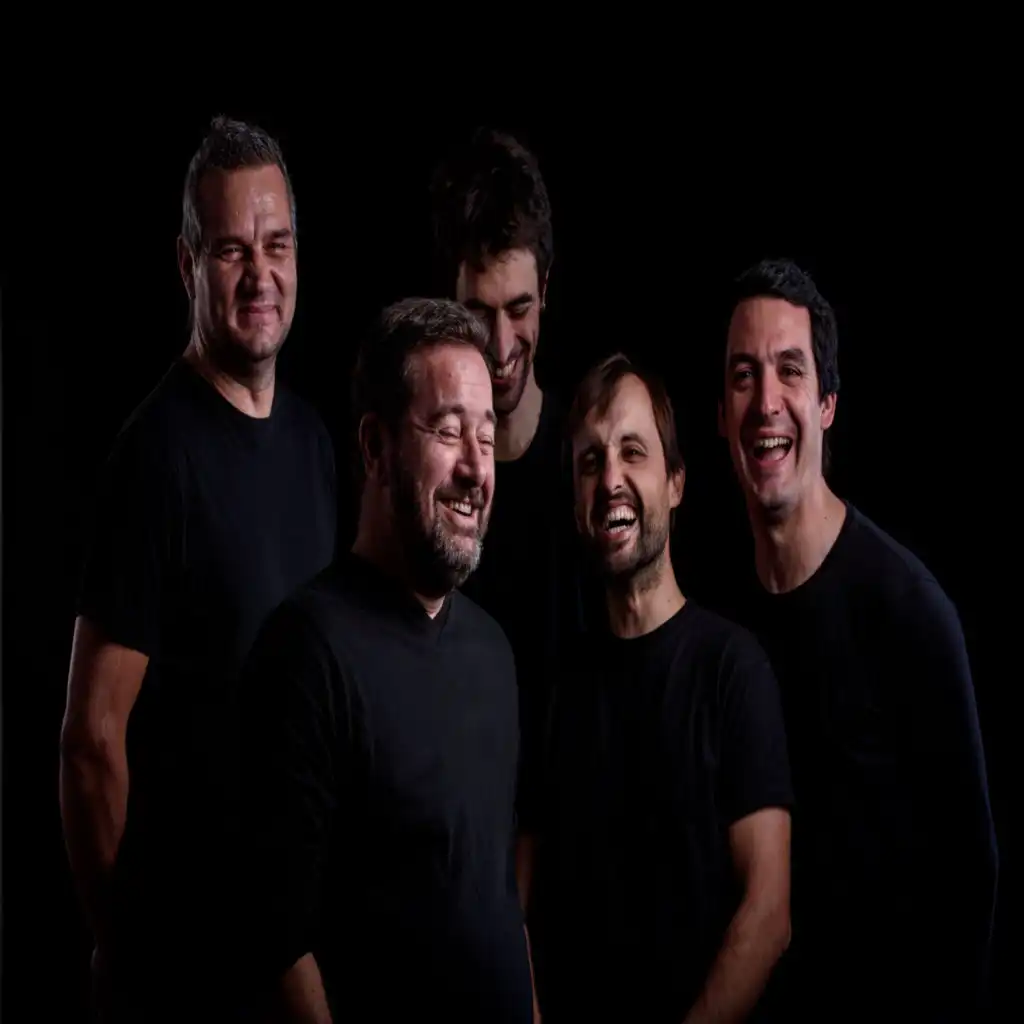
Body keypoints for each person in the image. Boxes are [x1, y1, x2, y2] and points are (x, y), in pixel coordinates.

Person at [58, 115, 337, 1021]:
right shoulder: (154, 459)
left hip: (292, 954)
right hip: (183, 969)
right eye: (230, 250)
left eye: (276, 245)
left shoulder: (313, 444)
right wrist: (124, 948)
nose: (260, 274)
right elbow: (90, 742)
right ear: (187, 265)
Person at [237, 297, 537, 1023]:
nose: (476, 467)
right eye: (448, 431)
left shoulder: (494, 653)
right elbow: (275, 940)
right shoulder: (305, 651)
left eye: (487, 435)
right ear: (375, 448)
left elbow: (497, 901)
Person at [718, 257, 999, 1020]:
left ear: (827, 403)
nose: (766, 402)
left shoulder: (909, 612)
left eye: (790, 371)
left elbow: (970, 880)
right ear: (720, 413)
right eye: (744, 376)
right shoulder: (718, 611)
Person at [521, 353, 794, 1023]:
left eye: (632, 452)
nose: (610, 479)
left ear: (675, 483)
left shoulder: (733, 669)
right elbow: (512, 908)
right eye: (590, 462)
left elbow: (768, 913)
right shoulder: (554, 688)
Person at [429, 129, 585, 863]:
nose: (499, 344)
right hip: (453, 851)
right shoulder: (422, 477)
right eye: (477, 311)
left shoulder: (591, 464)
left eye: (519, 308)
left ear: (546, 289)